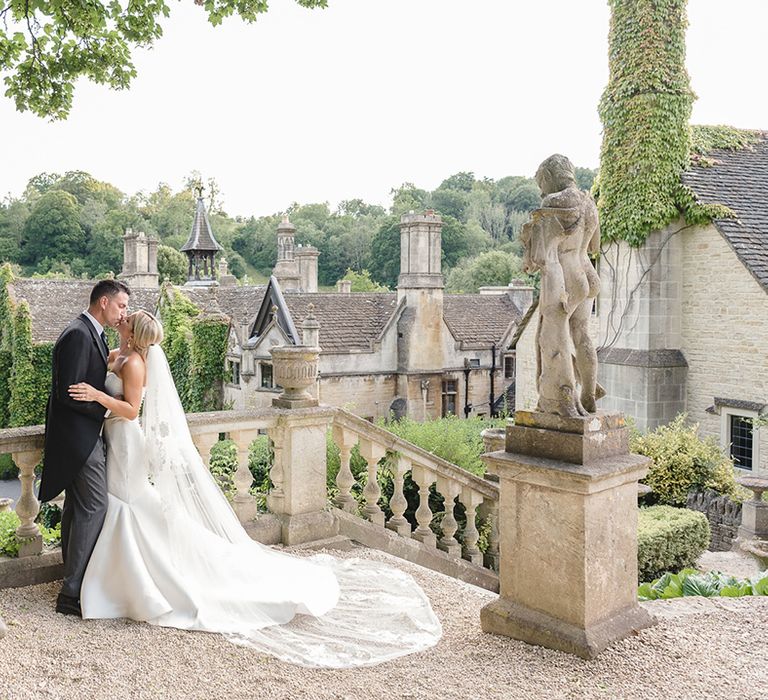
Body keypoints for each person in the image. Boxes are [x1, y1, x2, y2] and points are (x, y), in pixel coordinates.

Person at [70, 310, 441, 668]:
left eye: (127, 319)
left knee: (130, 501)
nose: (122, 318)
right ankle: (126, 575)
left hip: (126, 440)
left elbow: (132, 410)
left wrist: (98, 397)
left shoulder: (134, 363)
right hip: (111, 439)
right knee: (127, 503)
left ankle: (138, 579)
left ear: (133, 334)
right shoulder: (118, 354)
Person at [39, 279, 130, 616]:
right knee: (95, 507)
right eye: (121, 305)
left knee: (77, 509)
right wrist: (106, 408)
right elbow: (68, 393)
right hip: (79, 437)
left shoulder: (92, 331)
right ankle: (72, 591)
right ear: (103, 302)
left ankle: (70, 583)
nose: (123, 312)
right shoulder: (78, 333)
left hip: (82, 434)